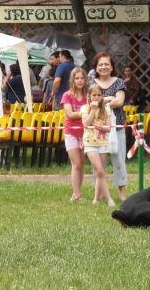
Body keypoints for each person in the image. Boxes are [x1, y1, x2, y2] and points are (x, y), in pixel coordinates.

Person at [90, 52, 127, 201]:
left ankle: (122, 193)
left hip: (116, 127)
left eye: (106, 64)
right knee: (98, 164)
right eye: (100, 64)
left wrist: (100, 102)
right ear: (96, 68)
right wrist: (107, 100)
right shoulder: (92, 83)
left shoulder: (119, 82)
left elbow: (119, 102)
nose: (103, 67)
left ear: (112, 67)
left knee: (119, 161)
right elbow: (88, 103)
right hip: (96, 130)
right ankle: (98, 195)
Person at [81, 83, 115, 206]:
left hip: (102, 143)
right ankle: (109, 198)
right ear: (89, 96)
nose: (96, 97)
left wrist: (100, 126)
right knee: (99, 170)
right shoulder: (84, 108)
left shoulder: (106, 109)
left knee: (100, 172)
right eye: (93, 95)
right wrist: (93, 109)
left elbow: (108, 128)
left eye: (99, 95)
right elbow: (86, 123)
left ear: (102, 97)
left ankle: (96, 199)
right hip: (90, 143)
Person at [60, 67, 88, 202]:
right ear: (73, 80)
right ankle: (77, 195)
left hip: (85, 133)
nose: (80, 80)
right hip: (71, 132)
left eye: (82, 78)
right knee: (76, 163)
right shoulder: (67, 95)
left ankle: (76, 193)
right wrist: (84, 113)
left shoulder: (88, 96)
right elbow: (70, 114)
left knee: (82, 164)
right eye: (77, 78)